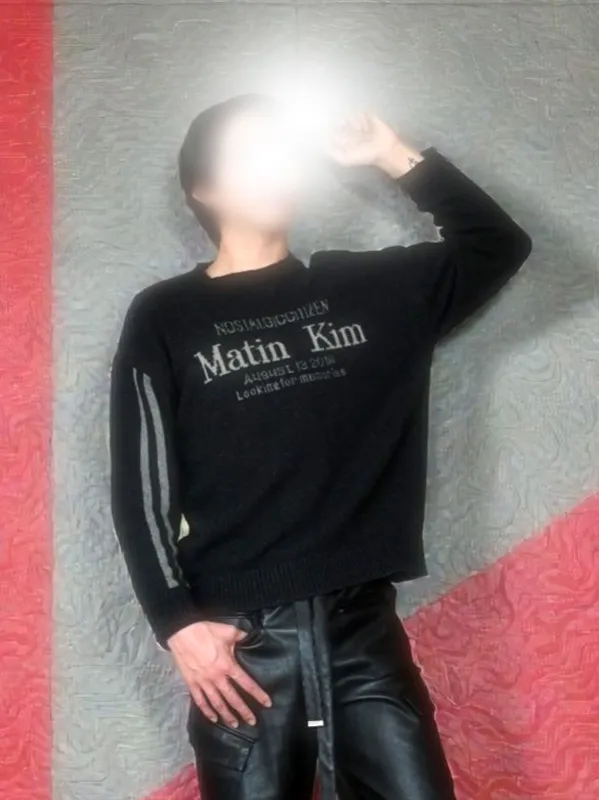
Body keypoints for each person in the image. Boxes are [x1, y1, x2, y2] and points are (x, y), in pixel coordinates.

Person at [110, 93, 532, 800]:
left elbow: (496, 244)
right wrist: (176, 623)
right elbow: (141, 482)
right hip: (243, 656)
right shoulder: (167, 315)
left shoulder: (368, 290)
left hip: (362, 636)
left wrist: (389, 153)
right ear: (203, 189)